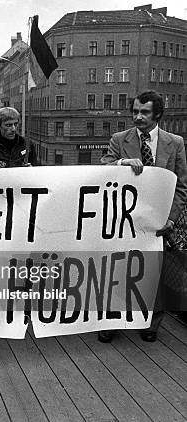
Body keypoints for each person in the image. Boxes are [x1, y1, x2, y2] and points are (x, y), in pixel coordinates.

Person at [99, 90, 187, 343]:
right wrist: (121, 164)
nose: (138, 117)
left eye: (144, 112)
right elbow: (102, 168)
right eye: (135, 111)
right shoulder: (119, 139)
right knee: (117, 271)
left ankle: (151, 323)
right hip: (124, 220)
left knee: (154, 275)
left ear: (157, 114)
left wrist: (170, 220)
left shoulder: (175, 143)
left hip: (157, 224)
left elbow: (181, 185)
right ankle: (111, 321)